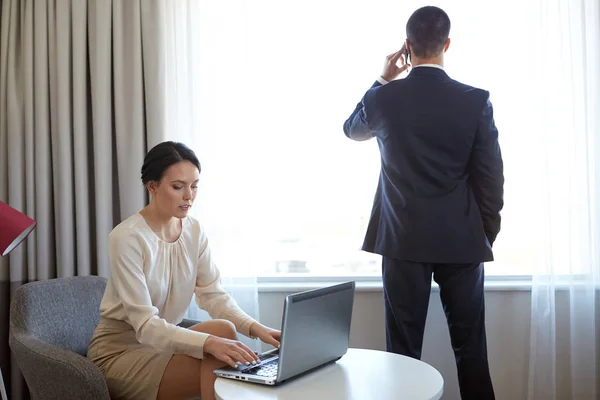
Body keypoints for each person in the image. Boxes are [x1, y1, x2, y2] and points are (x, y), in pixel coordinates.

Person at [343, 6, 503, 400]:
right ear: (447, 43)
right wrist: (485, 233)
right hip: (463, 239)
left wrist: (383, 77)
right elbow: (490, 178)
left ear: (407, 47)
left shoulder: (385, 98)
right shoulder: (475, 100)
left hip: (402, 241)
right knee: (472, 352)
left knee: (402, 354)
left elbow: (352, 129)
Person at [88, 141, 281, 400]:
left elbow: (213, 295)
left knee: (223, 329)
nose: (189, 196)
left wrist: (257, 328)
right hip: (121, 352)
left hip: (163, 343)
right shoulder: (126, 237)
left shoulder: (194, 230)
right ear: (152, 186)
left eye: (194, 186)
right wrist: (210, 344)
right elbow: (145, 326)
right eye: (178, 187)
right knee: (218, 357)